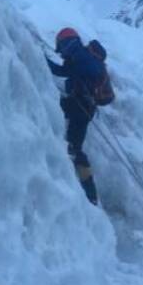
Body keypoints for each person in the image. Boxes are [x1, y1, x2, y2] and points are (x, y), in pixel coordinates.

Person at [46, 27, 109, 205]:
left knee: (75, 148)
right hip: (79, 105)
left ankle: (90, 194)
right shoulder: (78, 57)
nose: (60, 52)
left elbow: (89, 71)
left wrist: (75, 70)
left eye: (60, 46)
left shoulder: (82, 57)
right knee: (53, 106)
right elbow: (61, 71)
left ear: (68, 43)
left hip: (82, 107)